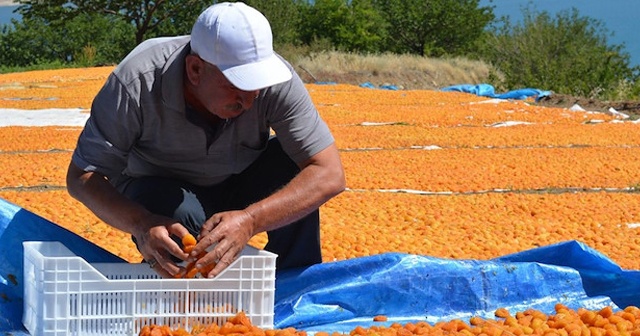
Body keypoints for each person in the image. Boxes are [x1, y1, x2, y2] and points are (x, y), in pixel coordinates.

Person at [66, 2, 345, 279]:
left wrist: (251, 219)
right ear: (195, 70)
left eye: (256, 85)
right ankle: (195, 300)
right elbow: (82, 177)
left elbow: (329, 173)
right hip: (161, 190)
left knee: (292, 165)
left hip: (238, 180)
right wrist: (141, 224)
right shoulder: (137, 81)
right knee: (178, 222)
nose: (250, 99)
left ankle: (294, 286)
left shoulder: (275, 81)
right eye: (237, 84)